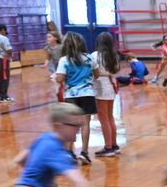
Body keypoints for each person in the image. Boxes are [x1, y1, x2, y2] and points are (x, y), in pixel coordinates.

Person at [55, 32, 98, 164]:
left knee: (70, 125)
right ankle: (84, 153)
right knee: (86, 124)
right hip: (88, 94)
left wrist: (59, 78)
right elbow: (96, 75)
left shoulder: (64, 60)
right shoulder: (90, 58)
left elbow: (60, 79)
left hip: (71, 96)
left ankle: (69, 153)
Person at [91, 32, 121, 157]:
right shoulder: (114, 56)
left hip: (100, 85)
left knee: (103, 119)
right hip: (110, 84)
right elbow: (116, 70)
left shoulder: (95, 55)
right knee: (110, 117)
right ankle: (114, 145)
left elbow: (93, 71)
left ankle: (108, 147)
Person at [44, 29, 63, 102]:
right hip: (57, 68)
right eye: (47, 37)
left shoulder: (60, 47)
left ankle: (63, 97)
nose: (47, 39)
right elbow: (48, 57)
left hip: (63, 68)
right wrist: (45, 63)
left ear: (55, 38)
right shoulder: (48, 47)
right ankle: (60, 98)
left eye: (49, 37)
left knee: (60, 82)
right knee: (57, 84)